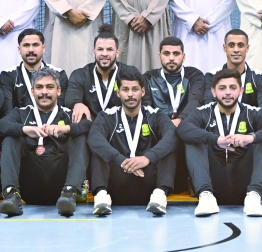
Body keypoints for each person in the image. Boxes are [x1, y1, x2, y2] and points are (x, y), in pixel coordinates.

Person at [177, 68, 262, 217]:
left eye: (232, 88)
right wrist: (215, 140)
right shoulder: (202, 112)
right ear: (213, 92)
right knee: (194, 139)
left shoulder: (252, 112)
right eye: (222, 88)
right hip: (214, 182)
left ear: (240, 91)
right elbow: (183, 129)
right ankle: (205, 195)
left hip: (244, 183)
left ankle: (254, 196)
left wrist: (251, 137)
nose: (228, 92)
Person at [0, 67, 91, 217]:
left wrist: (66, 128)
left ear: (59, 91)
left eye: (49, 87)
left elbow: (89, 126)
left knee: (80, 136)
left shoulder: (68, 114)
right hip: (29, 185)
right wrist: (24, 129)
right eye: (39, 87)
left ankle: (70, 191)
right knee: (10, 136)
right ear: (32, 91)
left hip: (61, 191)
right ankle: (11, 195)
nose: (44, 92)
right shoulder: (21, 113)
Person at [88, 67, 177, 216]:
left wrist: (147, 158)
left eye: (135, 89)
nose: (130, 94)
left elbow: (172, 136)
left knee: (168, 147)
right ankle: (101, 196)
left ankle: (160, 194)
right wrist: (121, 160)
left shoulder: (155, 115)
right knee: (99, 149)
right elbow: (94, 138)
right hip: (117, 180)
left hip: (147, 180)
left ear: (142, 92)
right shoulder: (107, 116)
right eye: (125, 89)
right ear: (118, 92)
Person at [65, 24, 145, 123]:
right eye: (100, 49)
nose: (104, 54)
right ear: (94, 52)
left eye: (109, 49)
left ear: (117, 52)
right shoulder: (80, 74)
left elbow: (145, 99)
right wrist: (77, 104)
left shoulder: (130, 72)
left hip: (122, 127)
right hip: (91, 128)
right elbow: (70, 97)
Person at [205, 29, 262, 118]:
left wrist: (247, 122)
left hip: (251, 127)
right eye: (231, 45)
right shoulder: (211, 76)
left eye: (240, 45)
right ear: (224, 48)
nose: (236, 50)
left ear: (247, 48)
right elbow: (208, 105)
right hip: (220, 127)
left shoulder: (259, 76)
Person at [0, 29, 69, 115]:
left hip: (51, 125)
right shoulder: (8, 75)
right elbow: (7, 111)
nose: (31, 50)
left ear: (43, 48)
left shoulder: (59, 74)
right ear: (19, 49)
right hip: (20, 125)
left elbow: (60, 108)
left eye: (35, 45)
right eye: (26, 45)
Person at [143, 37, 205, 123]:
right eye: (166, 54)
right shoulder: (148, 77)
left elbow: (195, 101)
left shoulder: (194, 75)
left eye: (176, 54)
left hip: (187, 125)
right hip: (158, 127)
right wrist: (163, 124)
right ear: (159, 56)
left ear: (183, 57)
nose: (171, 58)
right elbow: (146, 106)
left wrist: (180, 120)